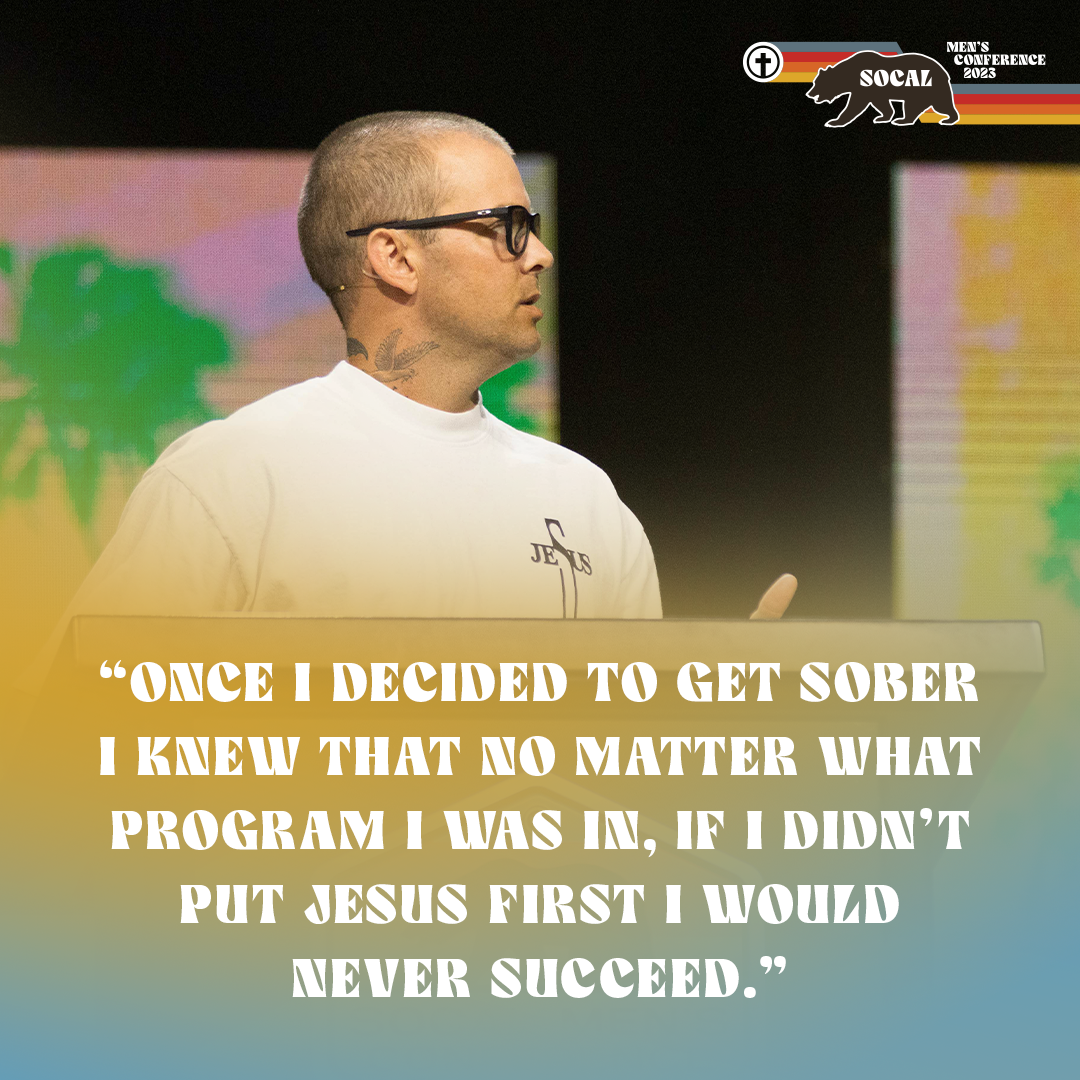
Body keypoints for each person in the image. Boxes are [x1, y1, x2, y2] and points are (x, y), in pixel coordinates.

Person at [54, 111, 795, 625]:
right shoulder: (233, 477)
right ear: (396, 256)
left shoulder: (584, 499)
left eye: (534, 229)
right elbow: (85, 733)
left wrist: (705, 715)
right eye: (509, 227)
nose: (540, 255)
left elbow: (617, 758)